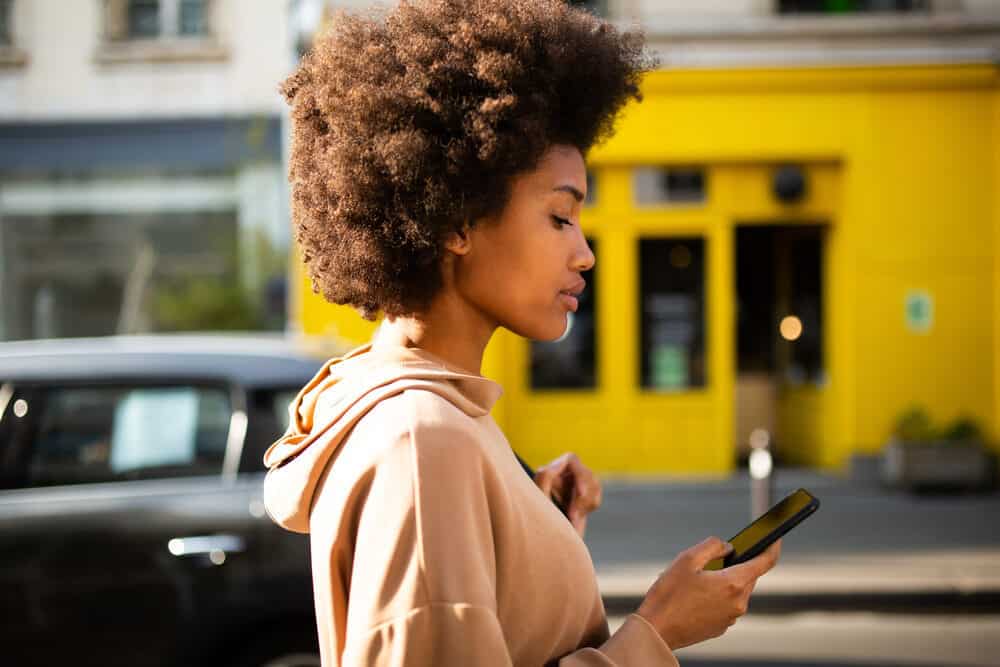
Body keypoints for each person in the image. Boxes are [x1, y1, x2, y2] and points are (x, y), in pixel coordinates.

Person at [262, 0, 782, 664]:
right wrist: (658, 630)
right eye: (560, 217)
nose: (585, 253)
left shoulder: (422, 416)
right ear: (455, 222)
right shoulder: (425, 441)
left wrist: (522, 516)